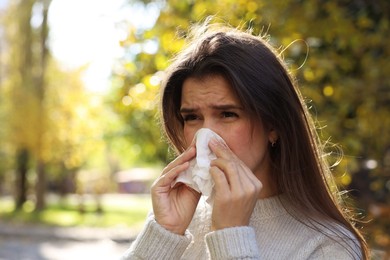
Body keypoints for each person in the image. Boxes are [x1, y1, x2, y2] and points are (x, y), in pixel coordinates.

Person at [121, 23, 369, 259]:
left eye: (228, 114)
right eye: (192, 117)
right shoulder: (182, 222)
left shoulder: (329, 246)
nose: (206, 137)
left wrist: (231, 237)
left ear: (273, 125)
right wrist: (163, 235)